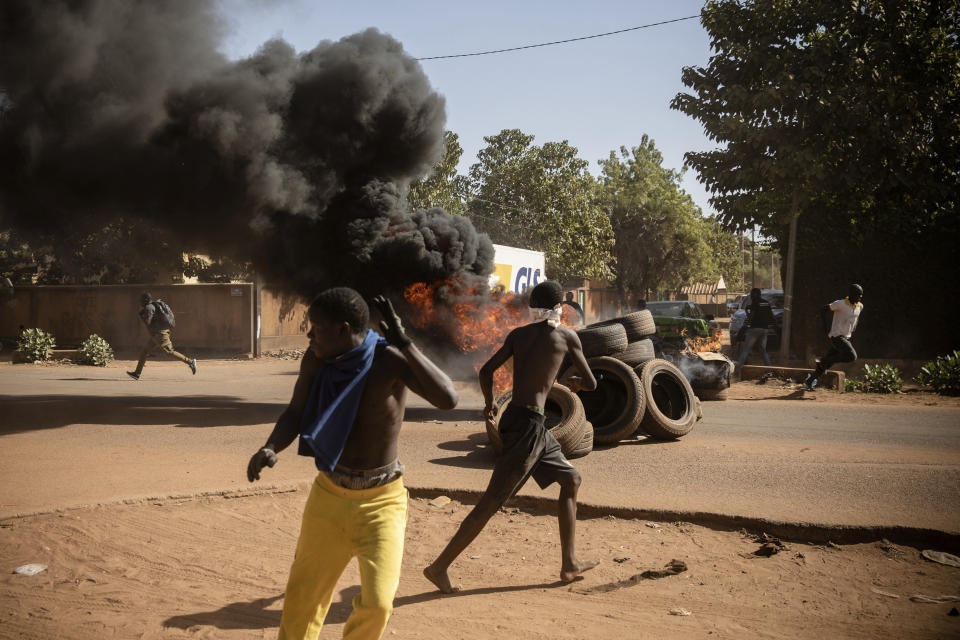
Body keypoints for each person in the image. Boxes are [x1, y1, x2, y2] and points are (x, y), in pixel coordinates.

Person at [247, 287, 458, 639]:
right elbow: (296, 412)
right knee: (304, 600)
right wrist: (271, 447)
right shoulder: (316, 360)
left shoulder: (388, 360)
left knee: (378, 603)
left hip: (382, 502)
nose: (309, 334)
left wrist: (405, 342)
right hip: (328, 497)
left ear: (343, 330)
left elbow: (448, 399)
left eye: (316, 327)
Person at [423, 280, 599, 594]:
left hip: (521, 420)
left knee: (571, 480)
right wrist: (573, 381)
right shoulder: (567, 337)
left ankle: (570, 563)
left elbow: (486, 371)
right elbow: (591, 383)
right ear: (561, 307)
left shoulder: (519, 335)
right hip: (530, 428)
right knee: (491, 502)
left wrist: (490, 404)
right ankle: (439, 567)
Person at [803, 284, 864, 391]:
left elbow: (855, 319)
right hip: (836, 336)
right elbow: (823, 309)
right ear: (850, 294)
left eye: (861, 295)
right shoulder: (840, 304)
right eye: (857, 295)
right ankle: (823, 361)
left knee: (826, 364)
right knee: (852, 356)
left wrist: (853, 329)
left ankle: (809, 381)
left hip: (846, 337)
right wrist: (825, 327)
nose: (860, 297)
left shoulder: (860, 306)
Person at [127, 292, 196, 380]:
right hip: (156, 335)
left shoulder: (149, 307)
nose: (140, 303)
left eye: (141, 301)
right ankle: (137, 373)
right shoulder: (152, 306)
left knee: (169, 352)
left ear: (145, 300)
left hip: (160, 334)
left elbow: (148, 321)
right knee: (144, 352)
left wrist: (142, 316)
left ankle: (190, 362)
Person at [734, 288, 774, 374]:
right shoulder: (766, 303)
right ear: (760, 294)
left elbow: (750, 317)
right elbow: (771, 316)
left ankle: (737, 370)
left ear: (752, 295)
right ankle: (770, 369)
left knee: (746, 349)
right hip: (765, 329)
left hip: (755, 329)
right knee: (763, 350)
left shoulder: (754, 303)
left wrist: (747, 311)